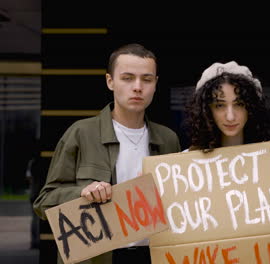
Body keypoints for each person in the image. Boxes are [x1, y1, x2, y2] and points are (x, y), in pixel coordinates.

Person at [33, 43, 181, 264]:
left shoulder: (168, 139)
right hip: (99, 257)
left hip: (153, 255)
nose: (138, 87)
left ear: (155, 84)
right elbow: (43, 203)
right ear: (110, 81)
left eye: (146, 79)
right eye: (128, 78)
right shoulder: (81, 133)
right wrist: (82, 192)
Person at [185, 60, 270, 211]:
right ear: (207, 110)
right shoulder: (186, 166)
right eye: (220, 105)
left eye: (239, 104)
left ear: (251, 107)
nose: (230, 116)